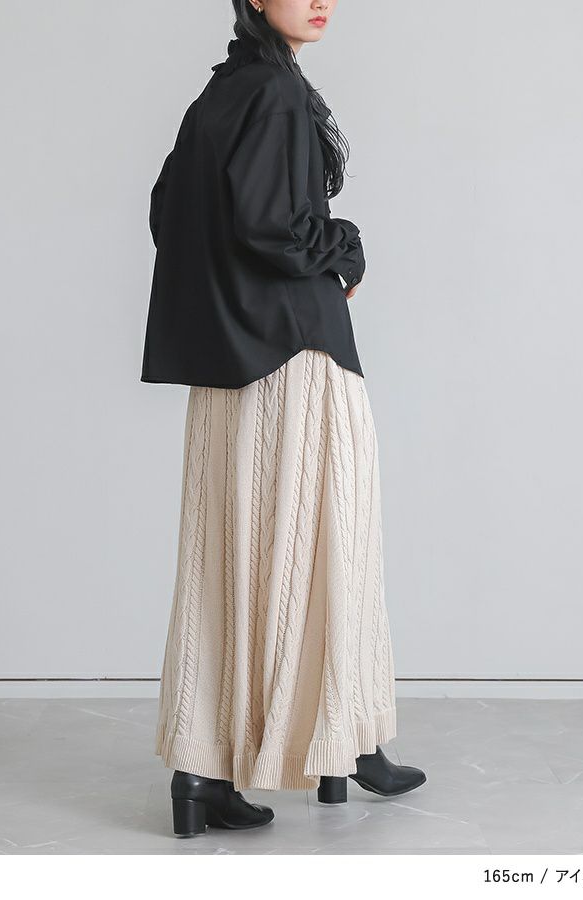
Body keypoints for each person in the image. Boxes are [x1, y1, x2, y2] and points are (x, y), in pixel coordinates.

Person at [140, 0, 426, 839]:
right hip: (298, 355)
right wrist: (344, 247)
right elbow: (268, 225)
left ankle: (202, 770)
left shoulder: (222, 91)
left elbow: (168, 211)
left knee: (228, 562)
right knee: (334, 539)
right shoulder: (273, 90)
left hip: (230, 369)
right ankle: (347, 739)